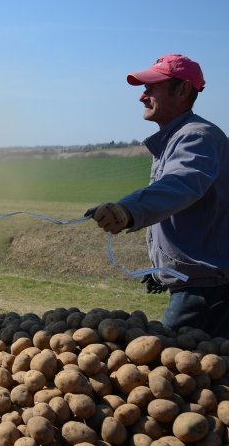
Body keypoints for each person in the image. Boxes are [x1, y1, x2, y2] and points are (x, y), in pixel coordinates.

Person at [89, 54, 229, 337]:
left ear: (182, 90)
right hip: (194, 284)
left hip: (207, 292)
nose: (143, 96)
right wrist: (162, 270)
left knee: (181, 368)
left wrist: (127, 211)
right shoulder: (173, 138)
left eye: (152, 88)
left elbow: (180, 185)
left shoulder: (197, 136)